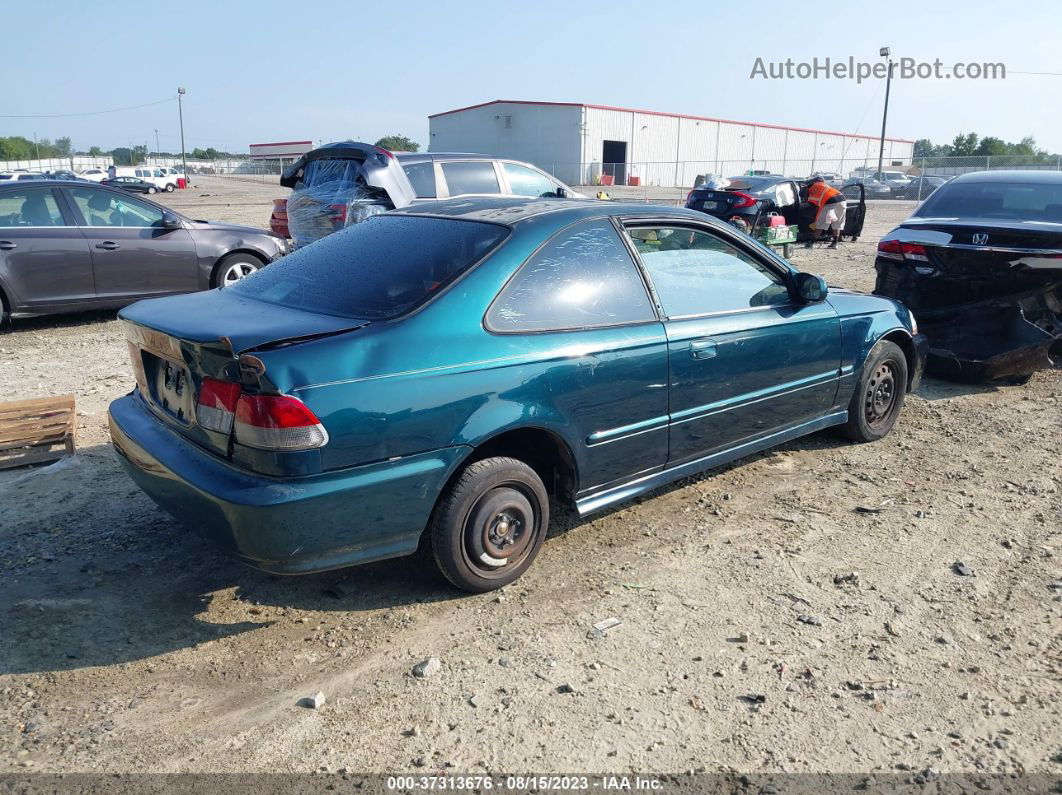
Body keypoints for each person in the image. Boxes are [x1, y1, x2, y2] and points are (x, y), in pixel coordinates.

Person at [805, 176, 846, 249]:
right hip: (842, 200)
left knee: (820, 224)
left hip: (830, 202)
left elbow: (811, 203)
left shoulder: (812, 188)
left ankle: (811, 242)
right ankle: (835, 244)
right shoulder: (825, 186)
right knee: (836, 223)